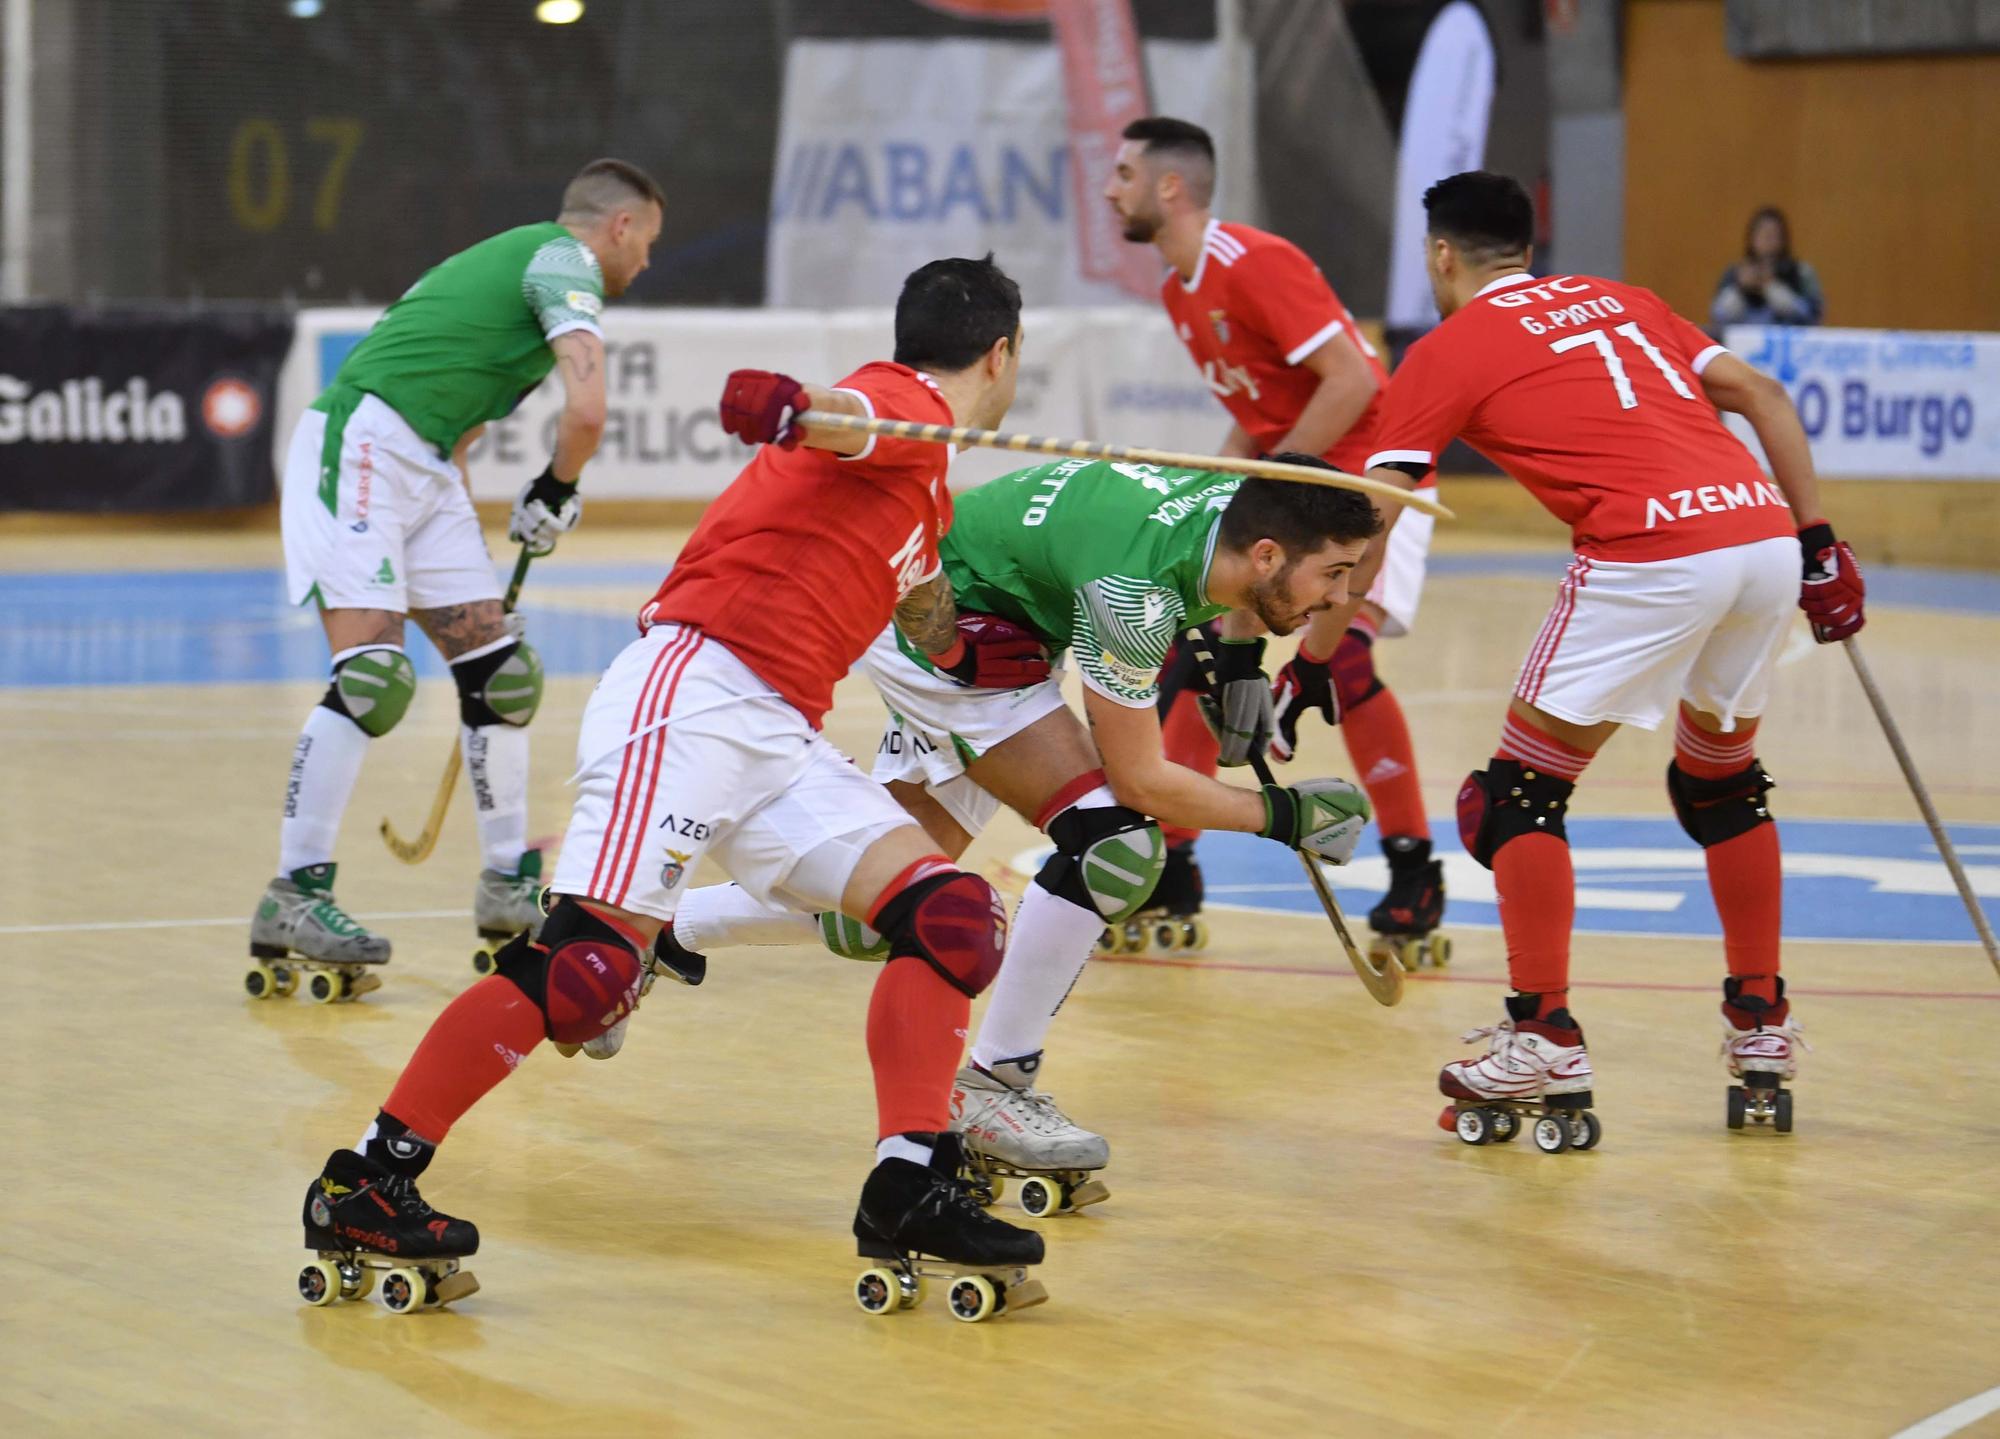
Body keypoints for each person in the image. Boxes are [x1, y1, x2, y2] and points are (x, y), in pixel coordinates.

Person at [299, 256, 1063, 1315]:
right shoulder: (900, 405)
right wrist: (795, 407)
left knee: (951, 916)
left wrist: (995, 640)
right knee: (584, 966)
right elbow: (848, 417)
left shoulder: (924, 480)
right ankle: (366, 1180)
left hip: (775, 733)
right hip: (694, 693)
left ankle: (906, 1181)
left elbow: (925, 607)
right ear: (1001, 354)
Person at [658, 458, 1382, 1207]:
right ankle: (993, 1083)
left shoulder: (1245, 503)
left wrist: (1239, 655)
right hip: (954, 625)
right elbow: (1140, 781)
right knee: (1114, 846)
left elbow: (1232, 540)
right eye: (1333, 574)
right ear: (1267, 556)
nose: (1340, 597)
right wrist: (1286, 815)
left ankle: (663, 923)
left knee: (883, 906)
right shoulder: (1129, 594)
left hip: (1002, 609)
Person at [1353, 172, 1864, 1142]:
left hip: (1651, 551)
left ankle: (1540, 1033)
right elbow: (1757, 393)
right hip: (1756, 534)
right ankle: (1760, 1023)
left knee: (1511, 797)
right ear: (1528, 244)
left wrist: (1314, 637)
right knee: (1719, 785)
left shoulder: (1446, 344)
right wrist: (1819, 542)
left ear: (1439, 256)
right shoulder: (1625, 301)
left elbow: (1378, 507)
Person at [252, 159, 664, 991]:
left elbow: (461, 425)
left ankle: (508, 885)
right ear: (618, 227)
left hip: (425, 462)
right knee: (373, 680)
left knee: (499, 675)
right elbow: (588, 411)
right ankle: (294, 893)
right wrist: (557, 486)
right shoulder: (562, 262)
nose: (646, 264)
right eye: (647, 244)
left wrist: (468, 533)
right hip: (363, 445)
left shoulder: (520, 265)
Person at [1102, 115, 1445, 964]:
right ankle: (1171, 864)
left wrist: (1270, 482)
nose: (1112, 188)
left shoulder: (1251, 262)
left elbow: (1354, 380)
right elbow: (1260, 421)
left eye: (1123, 173)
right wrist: (1198, 493)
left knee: (1345, 664)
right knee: (1193, 655)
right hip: (1293, 487)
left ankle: (1414, 868)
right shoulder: (1182, 292)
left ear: (1169, 188)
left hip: (1370, 482)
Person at [1710, 206, 1823, 328]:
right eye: (1762, 234)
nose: (1767, 240)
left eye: (1773, 234)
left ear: (1783, 239)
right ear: (1751, 238)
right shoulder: (1735, 272)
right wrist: (1740, 288)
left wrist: (1770, 286)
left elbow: (1811, 315)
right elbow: (1719, 315)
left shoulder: (1800, 272)